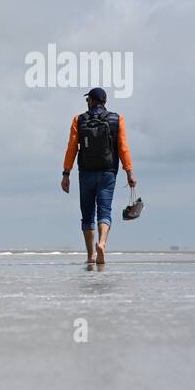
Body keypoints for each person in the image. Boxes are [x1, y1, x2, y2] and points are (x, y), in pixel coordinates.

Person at [60, 87, 136, 267]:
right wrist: (129, 172)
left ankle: (90, 255)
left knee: (87, 214)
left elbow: (71, 148)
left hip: (86, 172)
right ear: (105, 102)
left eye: (88, 100)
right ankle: (101, 244)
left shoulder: (79, 120)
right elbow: (123, 147)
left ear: (91, 101)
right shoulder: (117, 119)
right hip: (108, 172)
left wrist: (66, 173)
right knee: (105, 211)